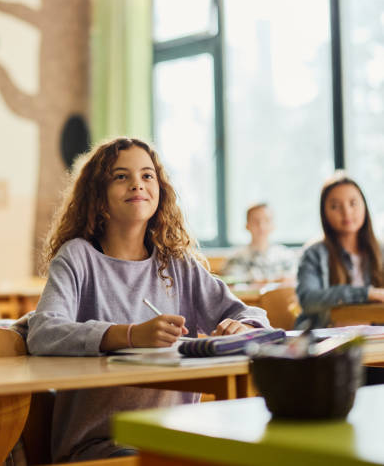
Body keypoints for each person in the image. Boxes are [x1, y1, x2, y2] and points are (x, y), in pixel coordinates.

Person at [27, 137, 270, 463]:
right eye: (120, 176)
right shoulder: (77, 258)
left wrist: (245, 326)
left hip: (176, 435)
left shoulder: (177, 263)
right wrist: (129, 335)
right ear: (98, 193)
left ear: (160, 189)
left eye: (147, 175)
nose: (136, 185)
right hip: (101, 444)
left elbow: (252, 315)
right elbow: (43, 332)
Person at [296, 172, 384, 329]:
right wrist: (367, 293)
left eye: (353, 203)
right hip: (327, 339)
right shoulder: (314, 253)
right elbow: (308, 300)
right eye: (335, 206)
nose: (346, 212)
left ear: (365, 205)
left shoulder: (380, 250)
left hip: (377, 336)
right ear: (324, 213)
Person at [223, 203, 297, 283]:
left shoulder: (286, 256)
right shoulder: (236, 258)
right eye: (255, 221)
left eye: (267, 220)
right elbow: (231, 283)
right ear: (247, 225)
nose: (261, 226)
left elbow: (294, 280)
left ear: (273, 225)